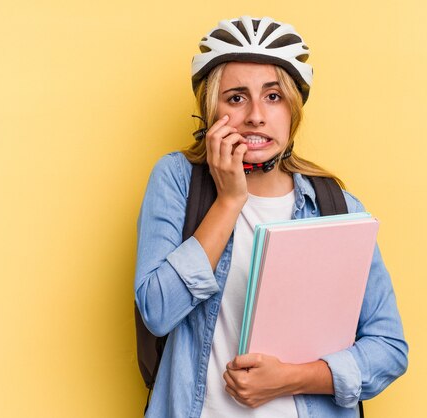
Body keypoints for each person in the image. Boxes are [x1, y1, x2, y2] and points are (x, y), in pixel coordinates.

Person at [134, 16, 408, 418]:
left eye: (273, 97)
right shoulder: (177, 180)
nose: (256, 116)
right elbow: (157, 312)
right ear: (212, 111)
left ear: (292, 110)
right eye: (236, 97)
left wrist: (293, 377)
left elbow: (389, 347)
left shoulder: (338, 207)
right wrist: (228, 201)